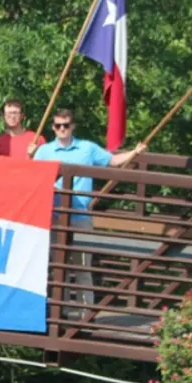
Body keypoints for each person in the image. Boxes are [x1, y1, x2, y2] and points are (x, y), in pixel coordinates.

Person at [31, 108, 146, 304]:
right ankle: (61, 313)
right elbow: (32, 177)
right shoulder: (44, 151)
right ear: (53, 127)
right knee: (57, 269)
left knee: (83, 268)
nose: (62, 129)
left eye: (66, 125)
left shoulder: (87, 148)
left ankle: (86, 315)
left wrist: (134, 152)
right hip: (54, 217)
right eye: (58, 126)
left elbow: (113, 161)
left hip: (81, 216)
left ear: (72, 126)